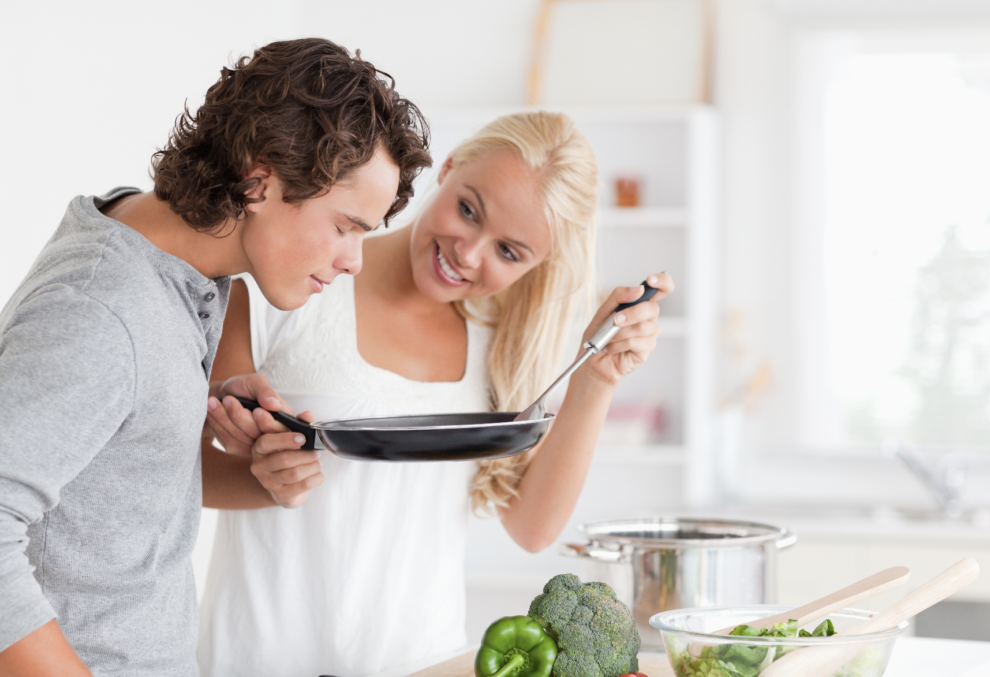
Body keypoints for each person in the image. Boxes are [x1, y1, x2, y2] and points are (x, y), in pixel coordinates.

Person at [0, 38, 430, 677]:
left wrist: (247, 463)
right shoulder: (102, 309)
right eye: (345, 226)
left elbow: (107, 489)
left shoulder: (177, 266)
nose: (354, 261)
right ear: (258, 179)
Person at [198, 111, 674, 677]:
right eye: (468, 210)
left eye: (509, 252)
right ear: (447, 168)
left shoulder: (498, 348)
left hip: (425, 665)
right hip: (258, 663)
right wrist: (259, 479)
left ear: (537, 265)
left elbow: (532, 529)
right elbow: (180, 462)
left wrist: (597, 378)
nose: (468, 253)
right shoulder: (286, 284)